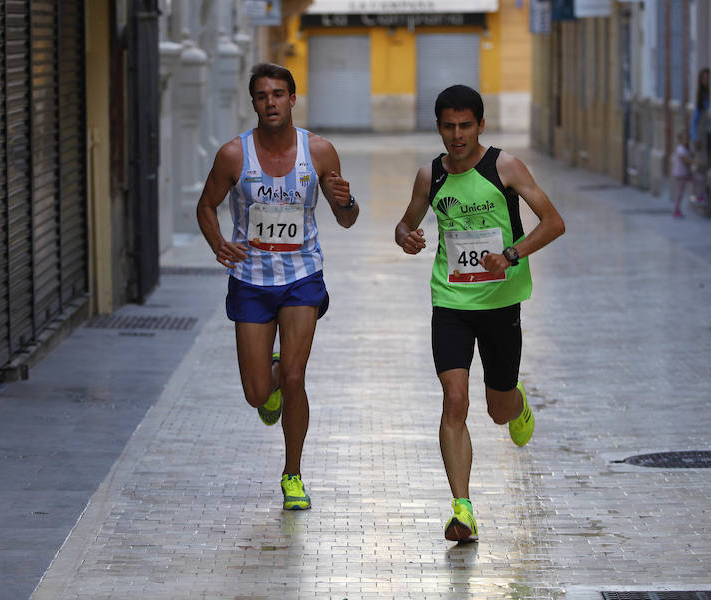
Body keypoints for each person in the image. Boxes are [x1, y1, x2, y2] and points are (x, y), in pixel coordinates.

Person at [394, 85, 565, 543]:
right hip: (450, 301)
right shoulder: (430, 176)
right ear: (438, 127)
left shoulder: (505, 167)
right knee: (454, 399)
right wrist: (406, 236)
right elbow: (406, 223)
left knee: (497, 410)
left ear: (481, 126)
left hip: (500, 303)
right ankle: (462, 508)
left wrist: (511, 254)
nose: (457, 136)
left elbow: (554, 222)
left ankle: (515, 400)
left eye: (465, 126)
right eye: (449, 127)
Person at [196, 63, 359, 511]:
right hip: (251, 279)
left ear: (292, 99)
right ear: (253, 102)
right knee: (257, 393)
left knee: (294, 376)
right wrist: (218, 244)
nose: (271, 102)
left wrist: (346, 200)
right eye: (262, 95)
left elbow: (346, 219)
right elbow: (206, 206)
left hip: (301, 276)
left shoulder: (319, 151)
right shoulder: (233, 155)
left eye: (279, 94)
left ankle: (293, 475)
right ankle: (269, 373)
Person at [671, 130, 693, 218]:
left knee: (699, 179)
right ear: (680, 140)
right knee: (679, 193)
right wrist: (698, 162)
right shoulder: (680, 149)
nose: (686, 141)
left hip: (685, 173)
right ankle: (676, 210)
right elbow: (686, 160)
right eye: (684, 139)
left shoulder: (685, 148)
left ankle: (699, 196)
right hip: (680, 174)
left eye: (687, 139)